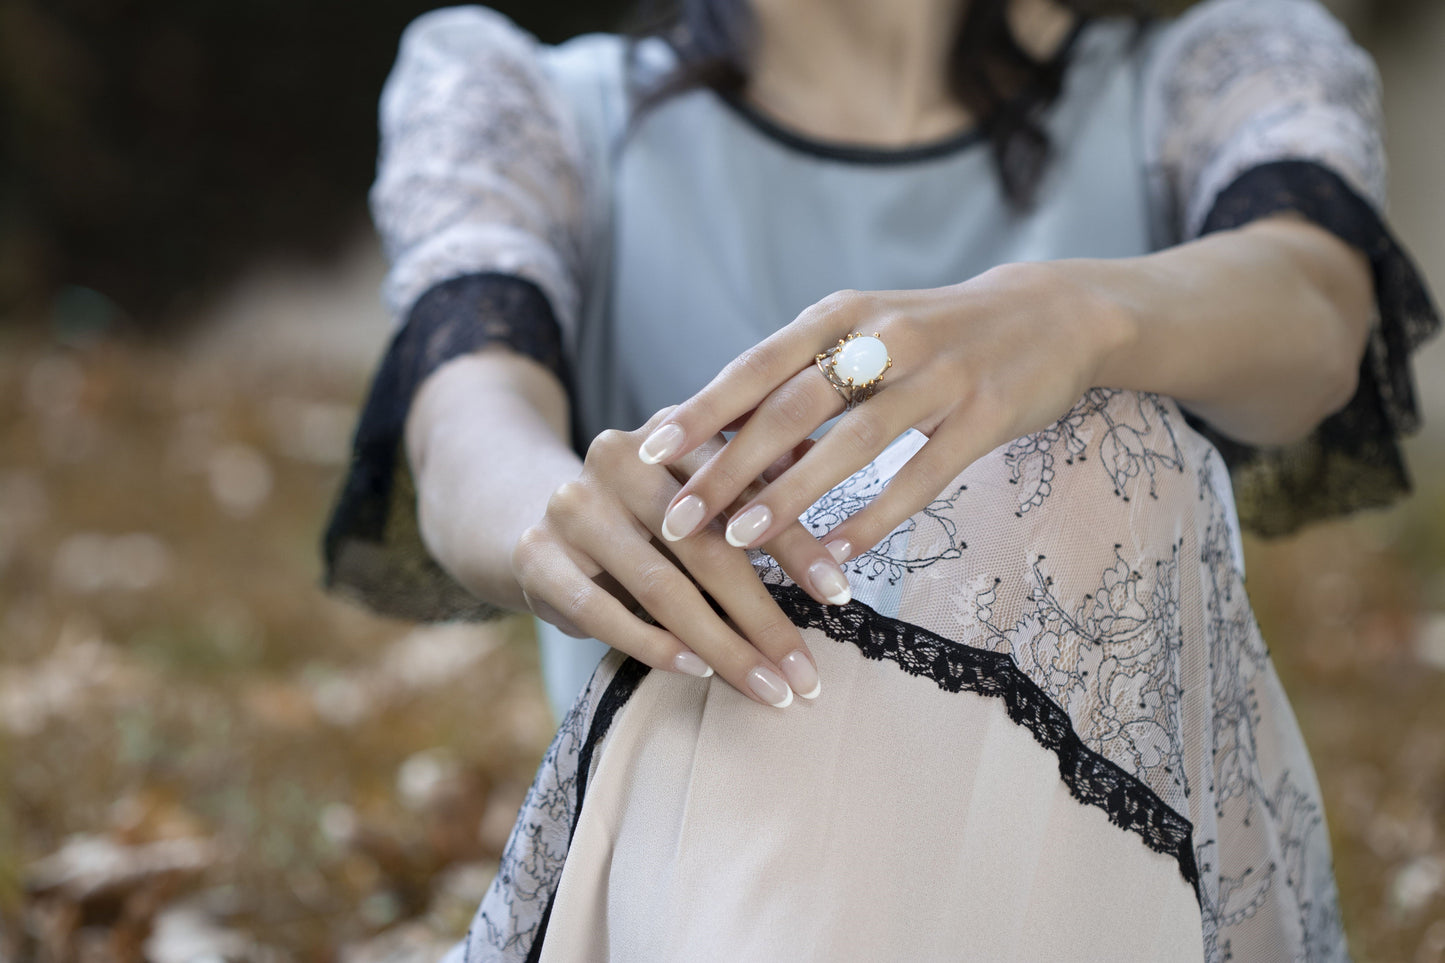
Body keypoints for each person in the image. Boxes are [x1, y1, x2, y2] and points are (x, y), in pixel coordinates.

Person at [323, 0, 1440, 958]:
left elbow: (1311, 305)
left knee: (1092, 441)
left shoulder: (1206, 75)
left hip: (1119, 892)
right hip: (696, 889)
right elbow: (469, 416)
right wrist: (554, 514)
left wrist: (1079, 320)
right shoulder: (542, 111)